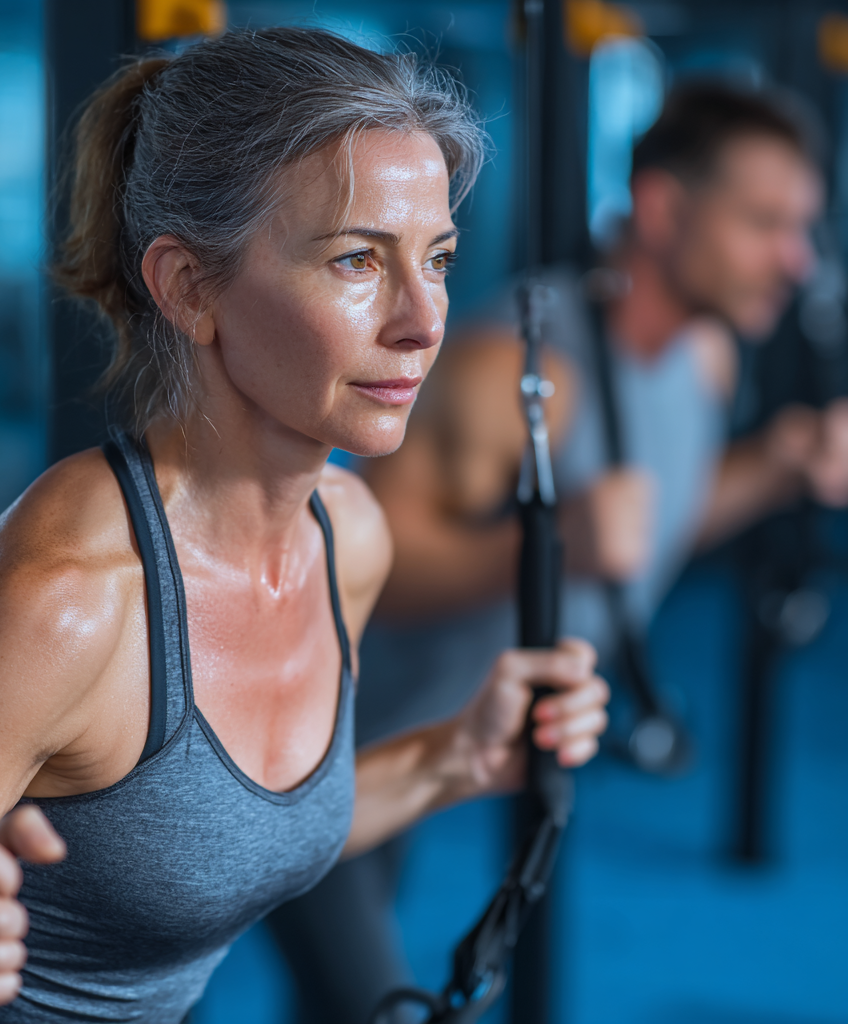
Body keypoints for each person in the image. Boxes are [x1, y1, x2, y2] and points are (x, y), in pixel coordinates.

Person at [0, 28, 610, 1024]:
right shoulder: (63, 602)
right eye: (358, 260)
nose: (424, 320)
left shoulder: (347, 537)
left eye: (439, 259)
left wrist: (454, 756)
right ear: (189, 287)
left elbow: (213, 849)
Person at [267, 80, 848, 1023]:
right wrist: (545, 546)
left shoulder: (708, 356)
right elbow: (366, 572)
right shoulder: (521, 369)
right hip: (335, 755)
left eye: (801, 228)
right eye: (765, 224)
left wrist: (779, 465)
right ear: (662, 209)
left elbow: (650, 537)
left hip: (458, 744)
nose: (795, 261)